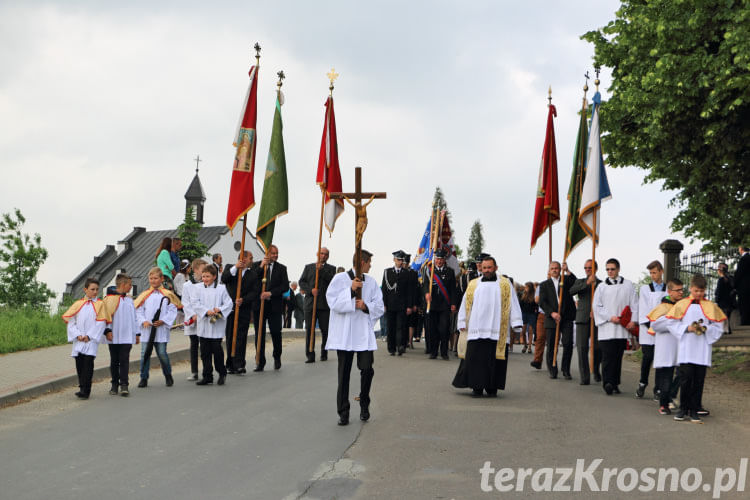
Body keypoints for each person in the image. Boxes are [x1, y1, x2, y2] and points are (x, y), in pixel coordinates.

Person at [325, 250, 384, 426]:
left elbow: (380, 307)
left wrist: (366, 306)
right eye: (369, 262)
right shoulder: (340, 279)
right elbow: (333, 302)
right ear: (362, 262)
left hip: (363, 335)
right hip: (345, 334)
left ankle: (364, 403)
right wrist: (351, 292)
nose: (371, 265)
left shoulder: (372, 283)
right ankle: (343, 411)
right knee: (343, 374)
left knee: (367, 369)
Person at [452, 256, 523, 397]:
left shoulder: (505, 284)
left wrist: (516, 322)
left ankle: (492, 388)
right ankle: (476, 387)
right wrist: (461, 322)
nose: (487, 270)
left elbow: (513, 303)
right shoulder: (473, 284)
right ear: (481, 268)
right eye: (484, 268)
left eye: (489, 267)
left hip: (497, 329)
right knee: (475, 359)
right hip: (476, 328)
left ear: (495, 268)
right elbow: (465, 304)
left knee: (494, 360)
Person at [665, 275, 726, 423]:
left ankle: (694, 409)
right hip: (687, 347)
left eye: (702, 291)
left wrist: (707, 329)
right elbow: (671, 323)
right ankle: (683, 409)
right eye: (696, 290)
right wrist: (687, 328)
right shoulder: (682, 304)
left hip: (702, 349)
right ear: (691, 288)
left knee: (698, 380)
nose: (699, 293)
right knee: (685, 379)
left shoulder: (711, 306)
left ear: (705, 290)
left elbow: (718, 326)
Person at [592, 258, 638, 395]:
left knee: (618, 356)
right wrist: (609, 317)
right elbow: (597, 306)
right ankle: (607, 382)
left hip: (622, 328)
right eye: (607, 269)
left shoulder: (628, 285)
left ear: (618, 269)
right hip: (607, 327)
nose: (610, 272)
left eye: (612, 269)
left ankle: (615, 382)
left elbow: (635, 304)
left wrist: (633, 321)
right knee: (607, 356)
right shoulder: (601, 287)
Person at [134, 267, 181, 388]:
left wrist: (164, 321)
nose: (153, 281)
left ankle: (168, 374)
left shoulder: (167, 294)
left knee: (162, 353)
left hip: (160, 329)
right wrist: (143, 321)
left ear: (161, 279)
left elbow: (172, 310)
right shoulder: (145, 295)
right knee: (145, 353)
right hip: (147, 330)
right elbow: (138, 310)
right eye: (151, 278)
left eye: (155, 278)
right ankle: (143, 377)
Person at [62, 278, 106, 399]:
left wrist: (89, 336)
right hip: (79, 339)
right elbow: (71, 321)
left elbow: (101, 323)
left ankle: (86, 390)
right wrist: (77, 335)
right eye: (92, 289)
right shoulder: (78, 304)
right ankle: (81, 386)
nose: (95, 292)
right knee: (79, 364)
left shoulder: (100, 304)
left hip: (91, 340)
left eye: (97, 289)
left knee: (88, 364)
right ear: (85, 290)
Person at [647, 278, 684, 415]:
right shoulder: (663, 307)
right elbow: (655, 325)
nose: (681, 292)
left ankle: (672, 395)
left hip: (681, 346)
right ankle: (664, 404)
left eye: (682, 289)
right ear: (669, 292)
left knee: (683, 374)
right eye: (677, 290)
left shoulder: (683, 306)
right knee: (667, 377)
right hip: (667, 346)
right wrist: (672, 323)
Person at [99, 274, 139, 396]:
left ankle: (124, 385)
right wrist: (107, 330)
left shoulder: (129, 300)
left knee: (125, 360)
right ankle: (114, 384)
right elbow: (106, 316)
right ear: (122, 285)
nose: (131, 287)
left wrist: (137, 333)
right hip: (114, 335)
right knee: (114, 361)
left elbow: (134, 318)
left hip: (127, 335)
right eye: (129, 285)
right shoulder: (109, 299)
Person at [194, 264, 234, 386]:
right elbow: (195, 303)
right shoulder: (198, 288)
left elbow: (229, 304)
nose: (205, 279)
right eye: (203, 276)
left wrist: (219, 309)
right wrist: (206, 311)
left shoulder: (221, 289)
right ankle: (207, 376)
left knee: (217, 350)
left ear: (214, 277)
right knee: (205, 352)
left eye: (208, 276)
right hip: (204, 324)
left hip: (216, 323)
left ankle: (222, 372)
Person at [538, 261, 577, 380]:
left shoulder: (566, 281)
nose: (554, 270)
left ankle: (566, 369)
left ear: (560, 269)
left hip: (566, 317)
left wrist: (568, 271)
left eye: (556, 268)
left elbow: (575, 282)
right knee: (550, 345)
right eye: (552, 268)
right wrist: (552, 313)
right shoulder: (544, 284)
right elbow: (542, 302)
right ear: (549, 271)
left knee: (568, 343)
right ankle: (552, 369)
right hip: (551, 318)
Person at [222, 251, 260, 374]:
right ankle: (230, 364)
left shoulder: (252, 275)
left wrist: (244, 300)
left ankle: (239, 364)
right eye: (250, 258)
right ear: (243, 259)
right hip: (230, 309)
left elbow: (255, 292)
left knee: (241, 337)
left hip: (243, 309)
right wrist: (235, 267)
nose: (252, 260)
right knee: (230, 336)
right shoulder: (230, 268)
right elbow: (224, 279)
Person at [253, 245, 289, 371]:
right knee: (259, 334)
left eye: (276, 253)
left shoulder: (282, 268)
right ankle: (260, 361)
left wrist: (271, 293)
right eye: (273, 253)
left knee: (275, 332)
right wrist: (261, 266)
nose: (275, 255)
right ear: (267, 253)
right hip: (260, 305)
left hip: (274, 305)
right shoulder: (257, 266)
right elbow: (251, 280)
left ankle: (277, 356)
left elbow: (285, 286)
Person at [636, 260, 667, 399]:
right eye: (651, 273)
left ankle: (658, 388)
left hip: (663, 330)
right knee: (648, 357)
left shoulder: (667, 289)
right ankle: (643, 383)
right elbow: (643, 309)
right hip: (648, 329)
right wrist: (651, 326)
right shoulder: (645, 289)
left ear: (661, 271)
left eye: (655, 272)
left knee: (660, 360)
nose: (653, 275)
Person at [299, 247, 336, 363]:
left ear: (328, 256)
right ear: (317, 254)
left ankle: (324, 353)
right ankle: (310, 354)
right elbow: (301, 282)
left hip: (324, 305)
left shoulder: (331, 269)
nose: (323, 256)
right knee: (310, 329)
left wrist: (322, 271)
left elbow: (332, 282)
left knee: (325, 330)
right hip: (310, 304)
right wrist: (310, 290)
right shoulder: (308, 267)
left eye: (326, 254)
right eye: (321, 253)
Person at [569, 260, 602, 385]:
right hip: (582, 318)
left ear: (596, 269)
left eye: (590, 267)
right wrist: (587, 283)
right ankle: (584, 376)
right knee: (582, 348)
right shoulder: (580, 282)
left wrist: (597, 311)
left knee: (598, 348)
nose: (588, 269)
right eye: (586, 268)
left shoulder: (602, 284)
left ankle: (596, 370)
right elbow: (571, 291)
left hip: (597, 320)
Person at [423, 248, 457, 360]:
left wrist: (453, 303)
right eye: (437, 259)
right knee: (432, 330)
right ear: (435, 259)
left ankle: (444, 352)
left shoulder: (450, 272)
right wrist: (427, 293)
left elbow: (453, 289)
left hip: (444, 305)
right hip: (432, 305)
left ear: (444, 260)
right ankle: (433, 352)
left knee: (444, 329)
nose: (439, 261)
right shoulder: (429, 271)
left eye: (441, 259)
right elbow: (425, 285)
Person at [381, 250, 413, 356]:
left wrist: (409, 306)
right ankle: (391, 348)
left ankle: (400, 346)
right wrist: (384, 304)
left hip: (402, 305)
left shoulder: (406, 273)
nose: (400, 262)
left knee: (401, 326)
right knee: (391, 327)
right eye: (398, 259)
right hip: (390, 304)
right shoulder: (387, 272)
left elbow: (409, 291)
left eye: (401, 260)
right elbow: (384, 290)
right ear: (394, 260)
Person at [182, 259, 206, 380]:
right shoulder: (187, 285)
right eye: (202, 270)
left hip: (204, 318)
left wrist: (202, 313)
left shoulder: (206, 284)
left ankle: (206, 370)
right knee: (194, 345)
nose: (204, 273)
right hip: (193, 320)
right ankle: (194, 371)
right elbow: (185, 303)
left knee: (205, 346)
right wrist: (193, 315)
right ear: (196, 270)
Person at [530, 276, 548, 370]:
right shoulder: (542, 286)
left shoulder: (560, 285)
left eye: (555, 269)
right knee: (540, 337)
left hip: (555, 316)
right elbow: (537, 300)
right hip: (542, 314)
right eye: (550, 270)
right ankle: (537, 360)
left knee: (552, 341)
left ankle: (551, 361)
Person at [715, 262, 735, 333]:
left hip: (722, 302)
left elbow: (719, 292)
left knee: (723, 317)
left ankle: (725, 330)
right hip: (729, 302)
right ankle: (728, 330)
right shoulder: (731, 279)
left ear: (720, 270)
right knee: (727, 317)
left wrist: (716, 300)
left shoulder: (721, 280)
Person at [519, 282, 537, 354]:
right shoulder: (523, 295)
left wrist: (535, 310)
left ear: (530, 288)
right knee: (523, 331)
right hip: (524, 314)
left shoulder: (534, 295)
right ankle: (525, 345)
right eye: (525, 287)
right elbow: (520, 305)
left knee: (530, 330)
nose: (525, 288)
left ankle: (529, 346)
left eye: (527, 287)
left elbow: (536, 305)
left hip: (532, 314)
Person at [734, 245, 750, 325]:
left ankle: (745, 322)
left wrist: (734, 284)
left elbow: (739, 273)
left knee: (744, 304)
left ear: (741, 249)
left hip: (744, 286)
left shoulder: (744, 259)